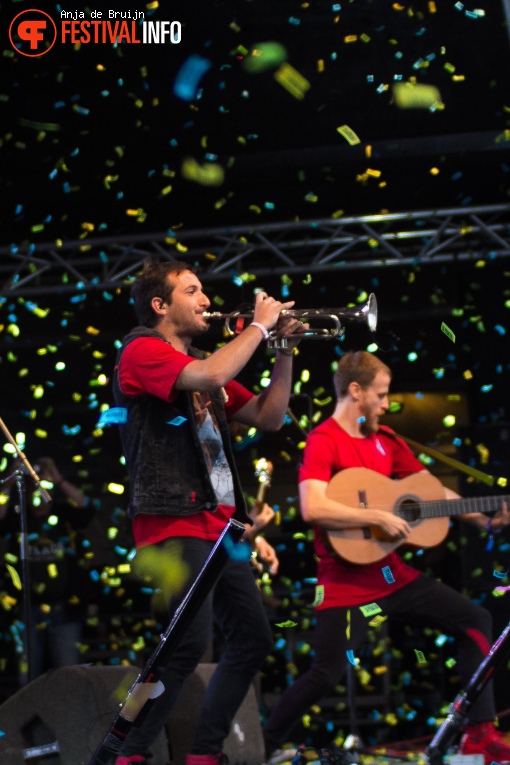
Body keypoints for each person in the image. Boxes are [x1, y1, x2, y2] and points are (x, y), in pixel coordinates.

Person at [263, 350, 510, 765]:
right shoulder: (324, 439)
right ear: (355, 391)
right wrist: (374, 515)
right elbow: (313, 507)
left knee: (476, 619)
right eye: (380, 394)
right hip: (344, 582)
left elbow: (433, 494)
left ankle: (478, 736)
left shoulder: (386, 441)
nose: (386, 404)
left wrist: (484, 520)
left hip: (393, 575)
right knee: (323, 675)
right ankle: (263, 742)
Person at [112, 258, 306, 765]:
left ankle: (204, 752)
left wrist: (282, 349)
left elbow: (269, 415)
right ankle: (131, 753)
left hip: (220, 526)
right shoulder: (141, 351)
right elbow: (212, 372)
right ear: (160, 305)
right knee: (187, 642)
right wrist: (261, 326)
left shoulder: (202, 359)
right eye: (192, 291)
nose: (206, 300)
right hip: (172, 520)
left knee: (253, 638)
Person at [0, 456, 95, 683]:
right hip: (27, 608)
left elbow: (86, 506)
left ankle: (69, 716)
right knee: (28, 673)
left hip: (64, 607)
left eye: (44, 488)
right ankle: (31, 716)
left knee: (70, 671)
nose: (39, 496)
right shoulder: (19, 519)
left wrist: (58, 477)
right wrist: (10, 481)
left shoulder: (64, 515)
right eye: (35, 489)